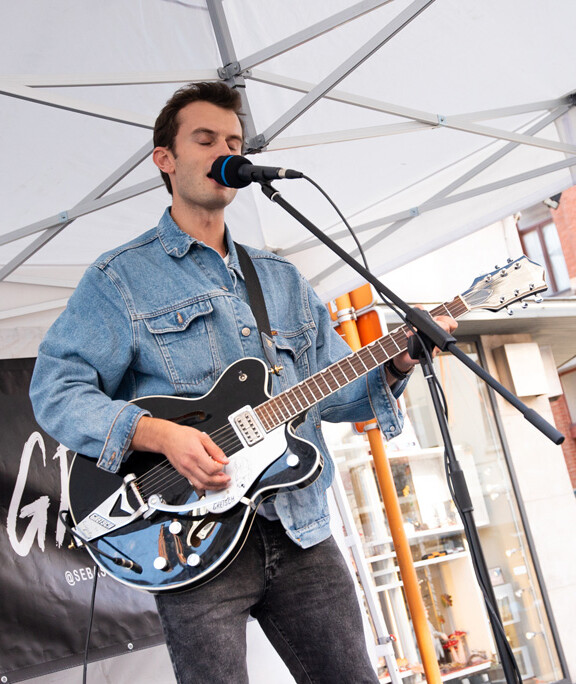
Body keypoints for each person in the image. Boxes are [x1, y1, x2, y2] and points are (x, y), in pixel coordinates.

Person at [30, 81, 457, 683]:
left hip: (300, 527)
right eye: (205, 140)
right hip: (189, 539)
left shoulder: (282, 279)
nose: (225, 152)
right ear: (165, 159)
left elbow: (337, 394)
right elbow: (55, 390)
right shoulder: (119, 278)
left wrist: (397, 362)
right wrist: (160, 435)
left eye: (234, 142)